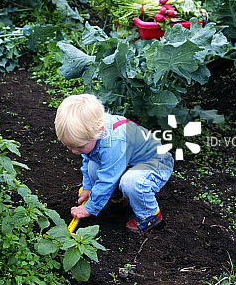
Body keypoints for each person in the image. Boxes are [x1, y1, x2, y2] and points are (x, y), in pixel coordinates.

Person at [55, 93, 174, 232]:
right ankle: (116, 200)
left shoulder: (113, 143)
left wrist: (90, 207)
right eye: (69, 146)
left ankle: (150, 215)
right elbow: (88, 159)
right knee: (94, 167)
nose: (74, 151)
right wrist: (87, 187)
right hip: (128, 162)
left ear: (98, 131)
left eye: (79, 147)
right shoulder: (92, 130)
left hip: (156, 163)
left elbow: (107, 179)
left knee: (130, 182)